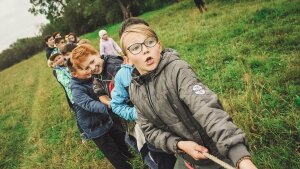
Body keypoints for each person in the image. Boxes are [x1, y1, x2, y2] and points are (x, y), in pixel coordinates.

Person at [120, 24, 258, 169]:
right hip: (185, 157)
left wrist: (240, 157)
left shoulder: (178, 71)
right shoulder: (134, 90)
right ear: (127, 60)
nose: (145, 49)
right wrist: (179, 145)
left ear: (159, 46)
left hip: (217, 156)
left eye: (149, 42)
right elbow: (149, 130)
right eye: (135, 48)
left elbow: (207, 110)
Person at [67, 44, 133, 169]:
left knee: (119, 137)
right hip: (94, 126)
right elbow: (88, 104)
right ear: (75, 74)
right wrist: (108, 106)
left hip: (106, 118)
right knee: (110, 149)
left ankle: (128, 155)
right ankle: (123, 166)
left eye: (90, 64)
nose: (89, 70)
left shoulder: (95, 75)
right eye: (84, 68)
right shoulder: (76, 89)